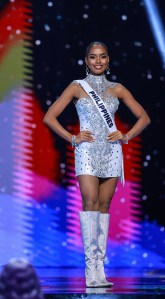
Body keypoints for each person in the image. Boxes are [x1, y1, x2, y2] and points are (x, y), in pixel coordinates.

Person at [43, 41, 150, 287]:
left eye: (102, 57)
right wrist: (72, 137)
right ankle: (90, 269)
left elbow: (144, 117)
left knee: (104, 205)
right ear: (86, 60)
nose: (98, 61)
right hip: (87, 151)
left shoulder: (117, 89)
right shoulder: (76, 87)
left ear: (108, 60)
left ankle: (100, 269)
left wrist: (125, 136)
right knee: (89, 201)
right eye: (93, 57)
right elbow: (49, 117)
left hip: (112, 152)